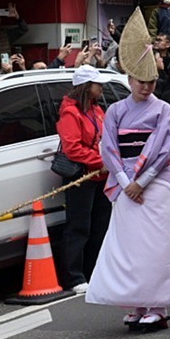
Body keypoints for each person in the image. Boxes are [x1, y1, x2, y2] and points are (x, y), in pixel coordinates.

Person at [85, 9, 170, 331]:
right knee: (129, 246)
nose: (147, 86)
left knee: (155, 246)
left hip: (155, 183)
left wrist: (142, 181)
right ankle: (137, 303)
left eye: (152, 80)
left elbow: (164, 150)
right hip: (127, 184)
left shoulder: (163, 109)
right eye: (142, 81)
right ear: (129, 80)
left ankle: (157, 305)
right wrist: (127, 181)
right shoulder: (115, 110)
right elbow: (107, 148)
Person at [56, 65, 110, 293]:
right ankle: (74, 277)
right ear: (87, 87)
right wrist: (100, 160)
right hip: (82, 175)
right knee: (79, 226)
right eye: (98, 85)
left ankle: (94, 271)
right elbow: (72, 148)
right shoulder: (71, 112)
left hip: (101, 175)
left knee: (100, 225)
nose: (101, 88)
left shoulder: (97, 110)